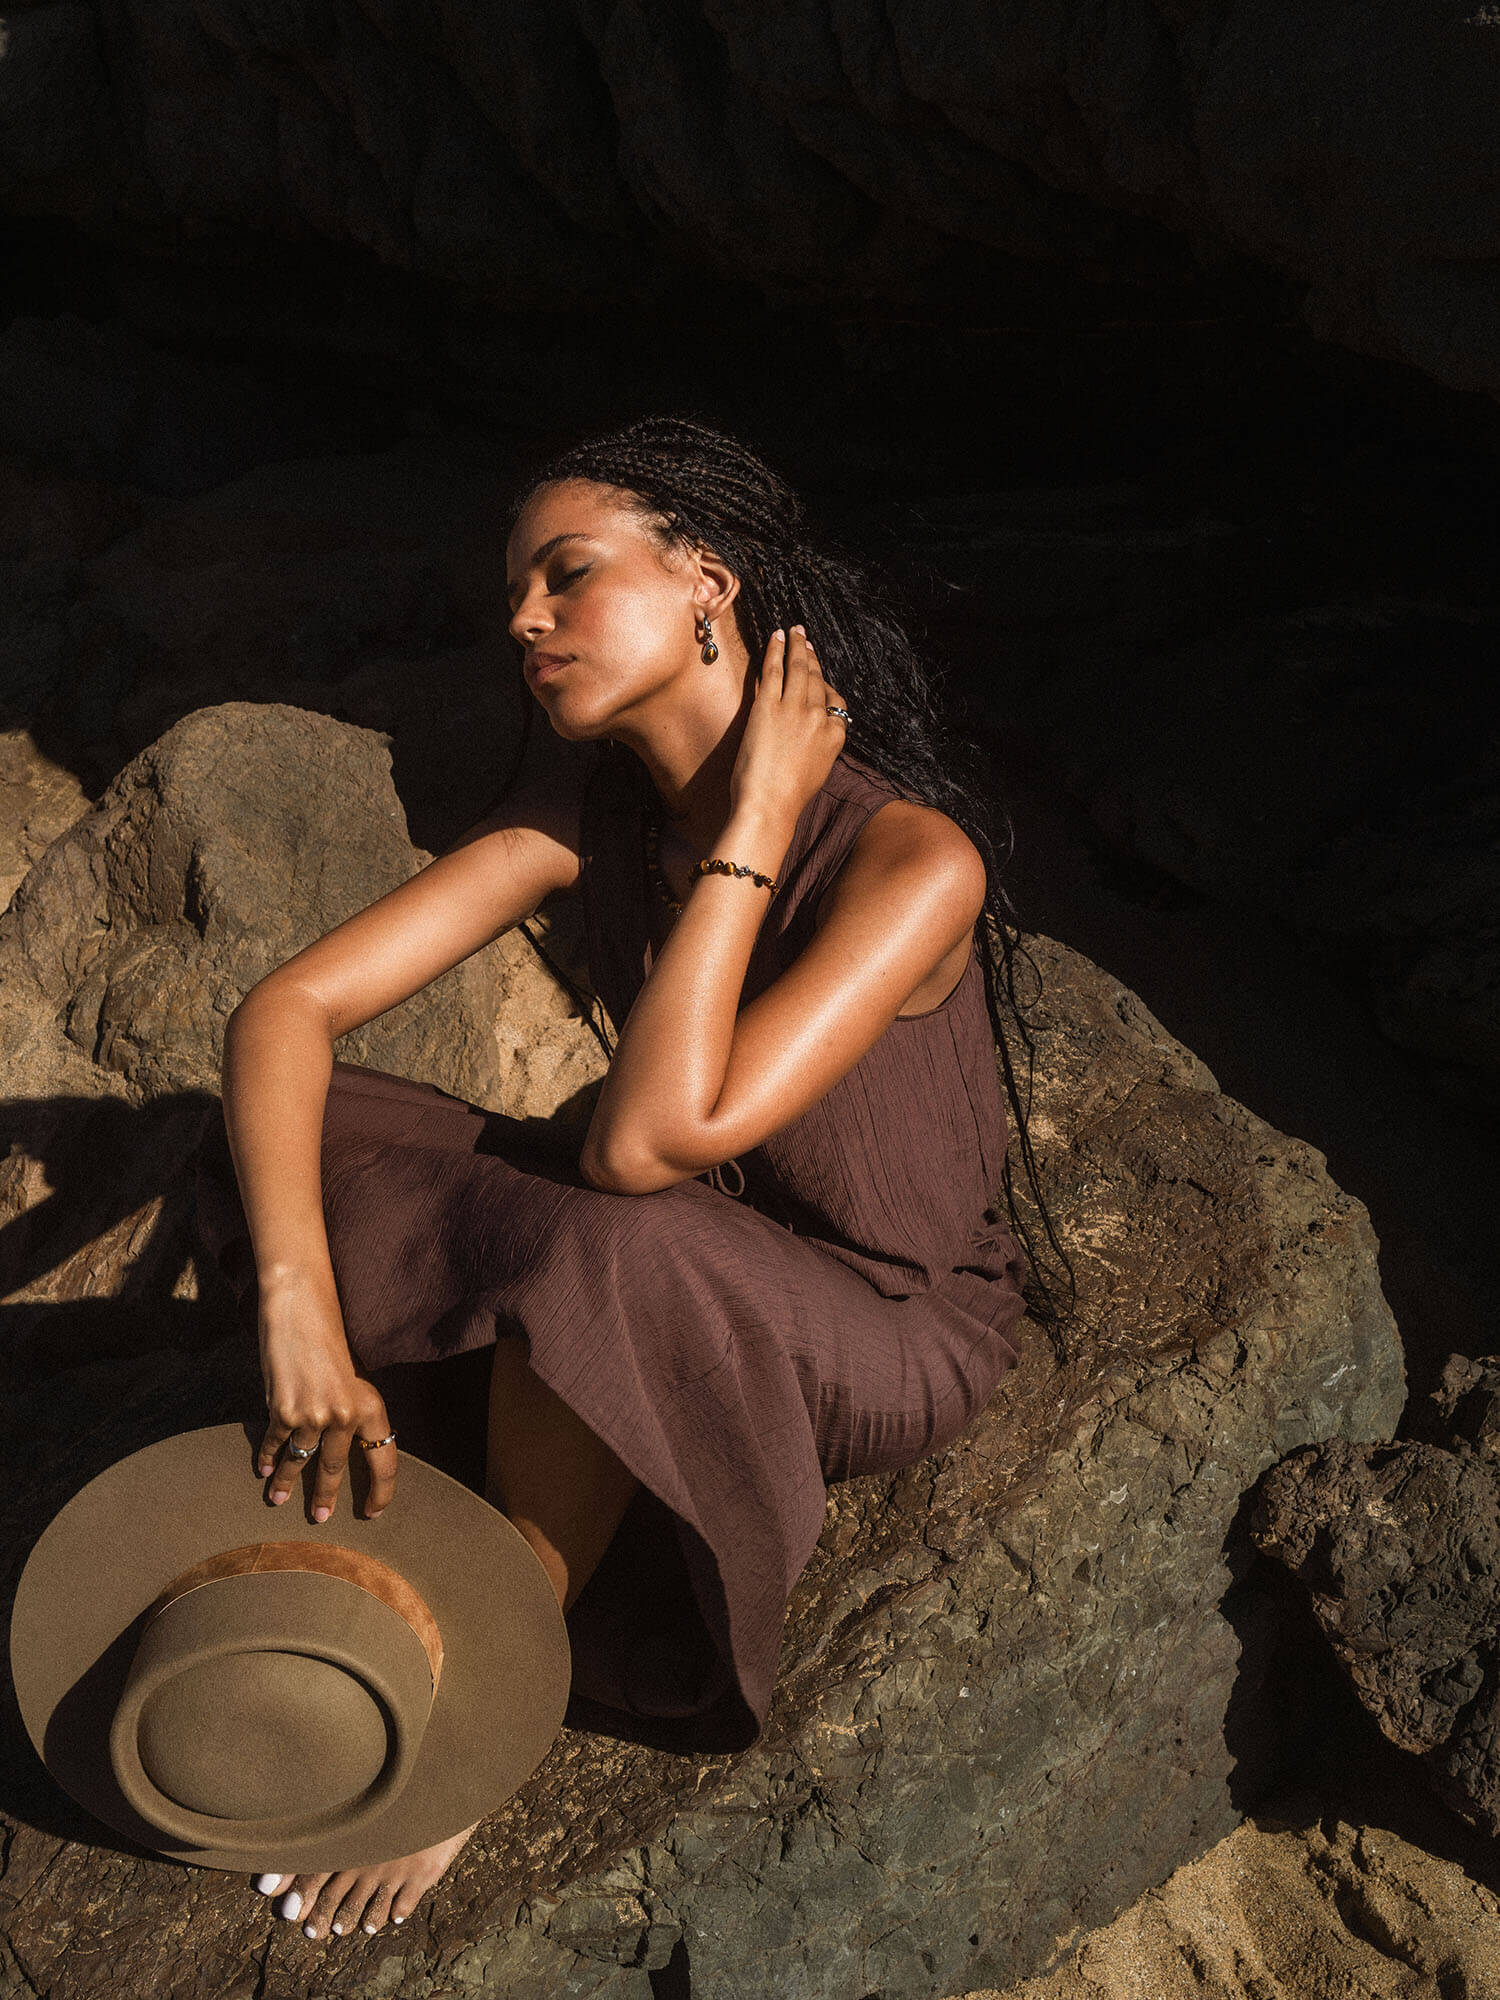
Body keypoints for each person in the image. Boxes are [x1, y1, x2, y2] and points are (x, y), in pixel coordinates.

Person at [193, 414, 1061, 1944]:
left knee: (607, 1230)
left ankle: (488, 1678)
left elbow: (645, 1143)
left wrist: (759, 825)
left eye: (567, 576)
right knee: (302, 1139)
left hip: (880, 1320)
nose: (523, 621)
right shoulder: (583, 819)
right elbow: (287, 1014)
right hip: (662, 1236)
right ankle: (434, 1398)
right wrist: (296, 1316)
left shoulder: (911, 861)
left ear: (708, 581)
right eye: (516, 595)